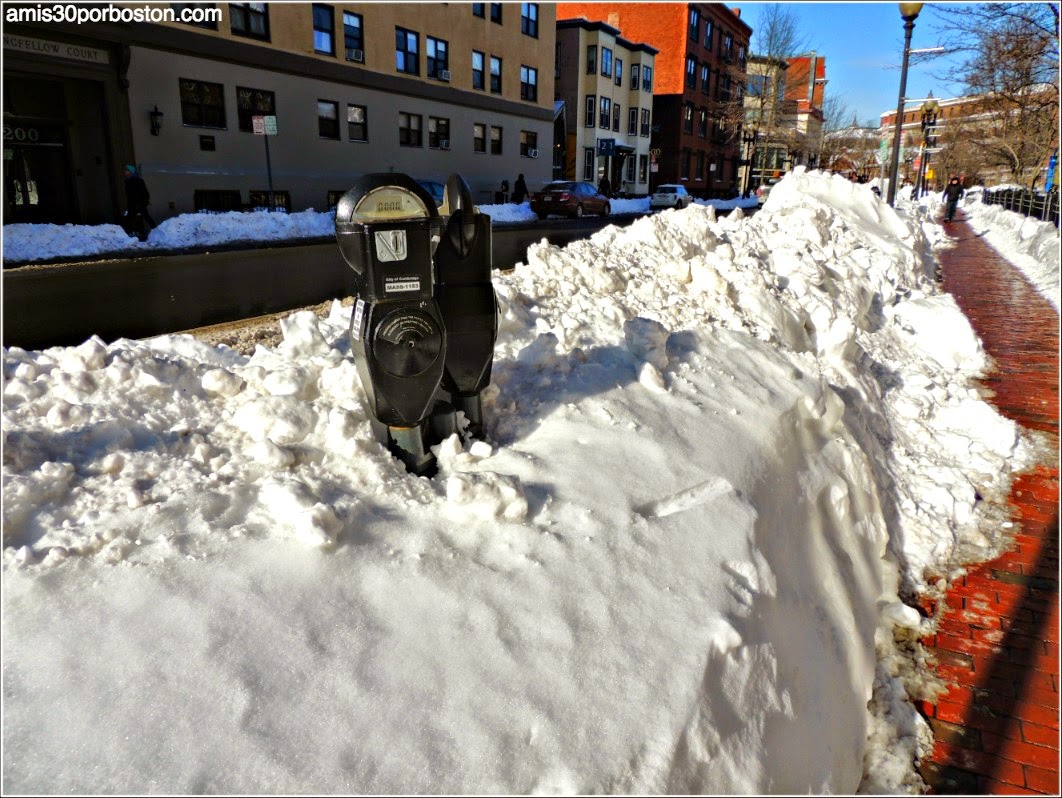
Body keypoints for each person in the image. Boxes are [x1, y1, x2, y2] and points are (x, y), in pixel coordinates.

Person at [123, 164, 155, 240]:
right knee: (130, 218)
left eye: (126, 170)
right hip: (132, 204)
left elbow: (144, 193)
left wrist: (143, 202)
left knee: (146, 217)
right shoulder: (128, 181)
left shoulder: (137, 180)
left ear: (131, 172)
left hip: (139, 204)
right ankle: (131, 234)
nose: (124, 172)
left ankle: (156, 231)